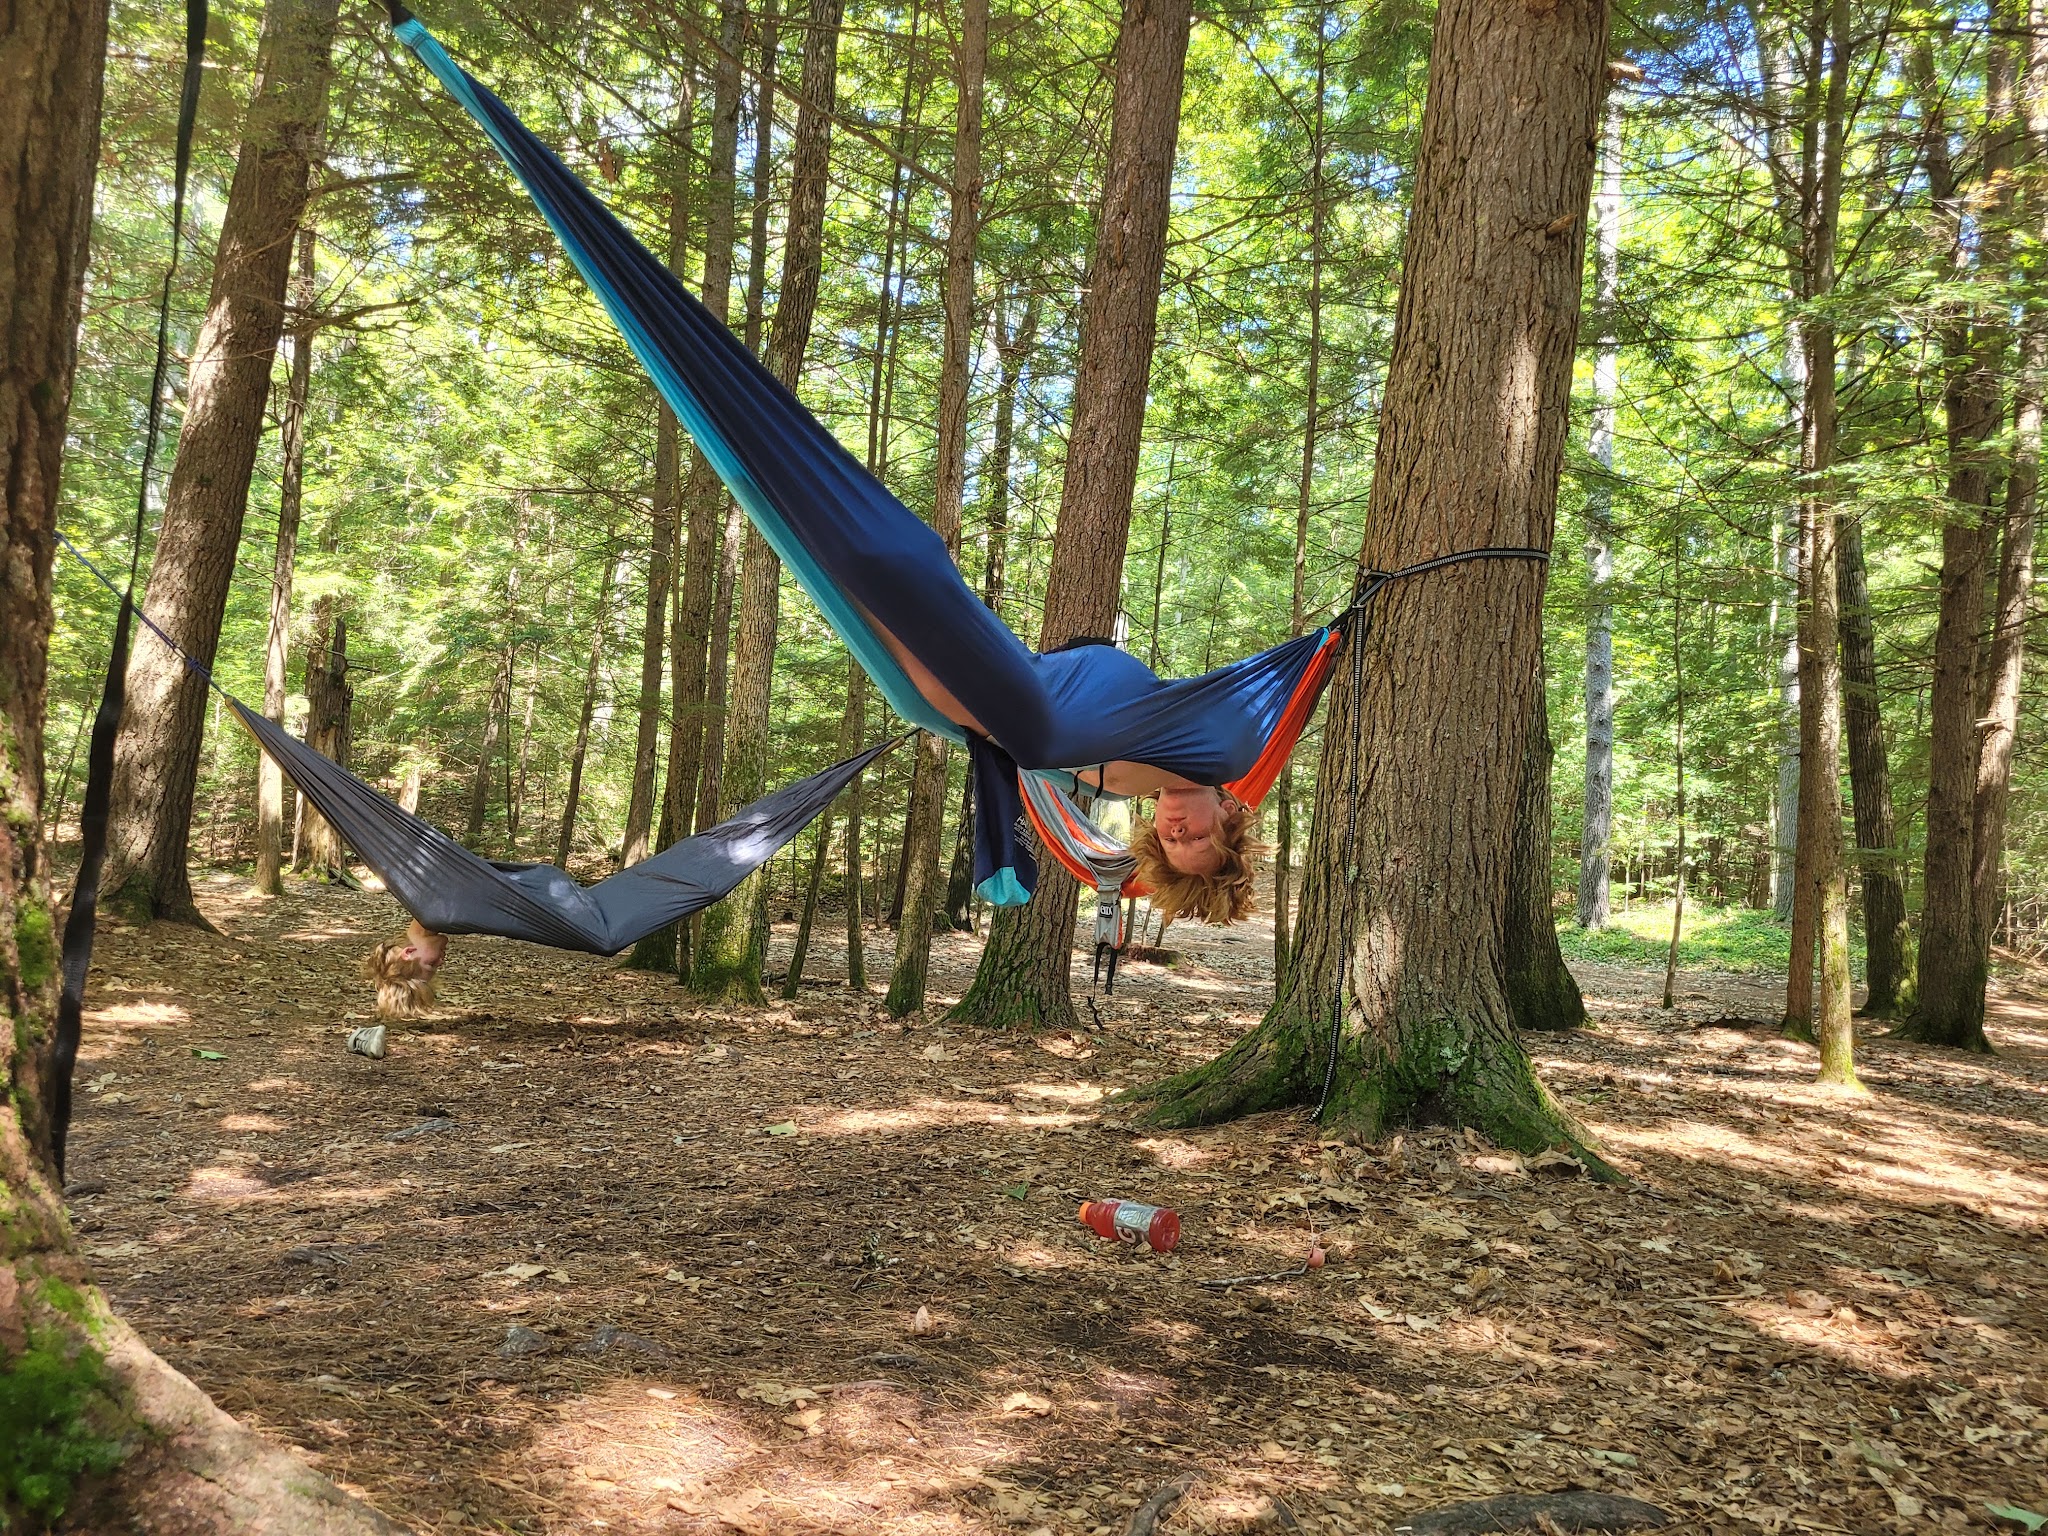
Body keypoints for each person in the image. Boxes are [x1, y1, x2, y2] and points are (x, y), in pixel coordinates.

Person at [873, 619, 1269, 923]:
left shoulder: (1113, 782)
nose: (1177, 833)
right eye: (1198, 838)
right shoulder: (1229, 749)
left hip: (992, 685)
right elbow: (1254, 691)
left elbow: (999, 732)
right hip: (1044, 670)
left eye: (1171, 844)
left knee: (920, 703)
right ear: (1228, 812)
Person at [362, 918, 446, 1021]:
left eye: (431, 963)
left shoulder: (435, 912)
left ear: (409, 952)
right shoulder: (442, 917)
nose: (440, 962)